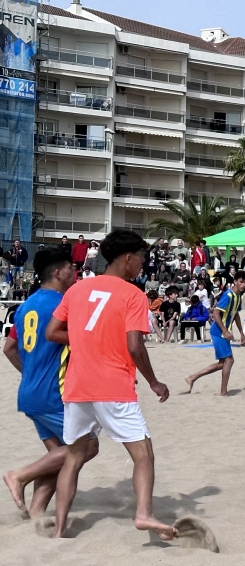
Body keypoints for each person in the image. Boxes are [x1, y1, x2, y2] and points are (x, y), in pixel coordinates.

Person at [43, 229, 177, 541]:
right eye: (141, 258)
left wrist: (88, 342)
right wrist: (154, 382)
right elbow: (134, 346)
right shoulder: (132, 294)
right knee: (143, 454)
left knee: (73, 458)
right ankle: (143, 514)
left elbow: (53, 331)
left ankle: (60, 528)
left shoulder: (77, 290)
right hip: (114, 386)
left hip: (77, 387)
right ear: (128, 259)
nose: (143, 264)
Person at [3, 247, 100, 519]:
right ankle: (18, 475)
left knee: (59, 457)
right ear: (58, 273)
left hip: (29, 393)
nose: (75, 271)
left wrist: (31, 373)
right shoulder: (63, 305)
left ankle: (35, 514)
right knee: (87, 447)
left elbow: (9, 348)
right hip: (53, 394)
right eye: (72, 267)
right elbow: (83, 344)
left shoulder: (26, 306)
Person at [183, 275, 245, 397]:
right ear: (235, 282)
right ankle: (223, 392)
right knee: (229, 360)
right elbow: (216, 313)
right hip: (218, 331)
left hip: (223, 331)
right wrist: (224, 331)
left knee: (222, 363)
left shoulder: (238, 296)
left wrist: (241, 333)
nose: (243, 284)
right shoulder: (228, 295)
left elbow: (236, 315)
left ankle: (192, 377)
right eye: (241, 281)